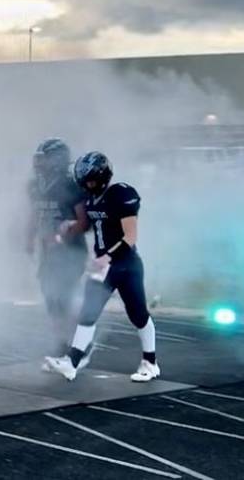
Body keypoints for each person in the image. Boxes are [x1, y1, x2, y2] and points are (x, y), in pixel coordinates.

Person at [44, 151, 159, 383]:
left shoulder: (121, 194)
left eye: (91, 180)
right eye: (84, 181)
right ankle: (71, 362)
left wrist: (107, 256)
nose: (88, 185)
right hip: (103, 266)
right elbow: (92, 225)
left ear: (103, 176)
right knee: (89, 311)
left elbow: (130, 235)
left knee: (138, 315)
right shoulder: (91, 199)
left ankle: (150, 362)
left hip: (126, 265)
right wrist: (69, 227)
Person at [26, 139, 89, 363]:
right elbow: (34, 214)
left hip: (70, 251)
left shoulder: (71, 187)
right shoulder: (35, 186)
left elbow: (84, 221)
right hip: (48, 254)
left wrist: (61, 236)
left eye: (43, 158)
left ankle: (76, 344)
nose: (38, 162)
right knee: (51, 298)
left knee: (63, 296)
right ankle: (63, 343)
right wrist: (30, 238)